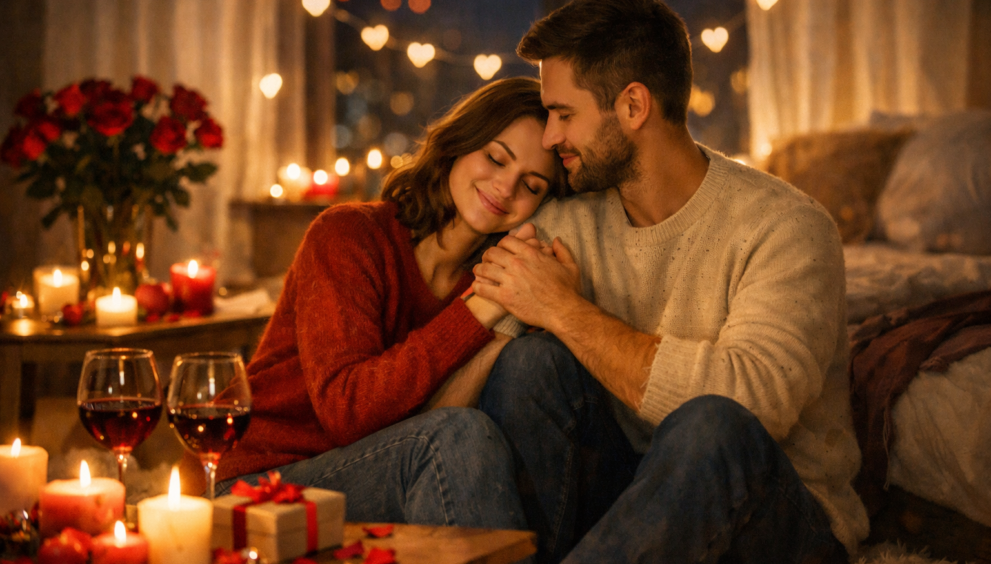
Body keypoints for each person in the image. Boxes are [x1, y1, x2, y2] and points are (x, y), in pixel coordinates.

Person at [471, 1, 870, 562]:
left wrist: (564, 311)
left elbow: (750, 406)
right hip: (634, 502)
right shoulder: (571, 220)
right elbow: (485, 341)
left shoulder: (785, 227)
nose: (551, 135)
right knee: (528, 367)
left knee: (712, 424)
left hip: (775, 518)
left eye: (563, 113)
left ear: (633, 105)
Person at [206, 77, 568, 531]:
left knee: (477, 422)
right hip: (253, 481)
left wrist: (500, 325)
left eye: (532, 186)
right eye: (496, 158)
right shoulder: (348, 235)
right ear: (459, 143)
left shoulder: (489, 284)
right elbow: (348, 413)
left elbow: (432, 421)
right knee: (457, 440)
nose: (505, 188)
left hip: (367, 467)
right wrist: (478, 310)